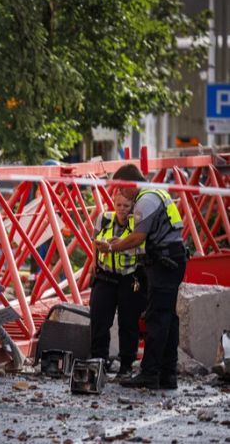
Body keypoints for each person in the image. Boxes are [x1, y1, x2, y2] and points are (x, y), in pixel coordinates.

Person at [97, 163, 186, 389]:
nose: (120, 193)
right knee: (168, 317)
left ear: (129, 184)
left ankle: (150, 373)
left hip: (164, 262)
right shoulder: (157, 192)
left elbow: (138, 237)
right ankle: (167, 373)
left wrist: (113, 247)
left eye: (121, 188)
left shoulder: (145, 201)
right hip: (171, 258)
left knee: (157, 317)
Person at [89, 191, 147, 377]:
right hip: (105, 277)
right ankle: (99, 361)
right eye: (119, 205)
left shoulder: (137, 224)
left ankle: (126, 365)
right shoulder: (104, 219)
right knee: (99, 319)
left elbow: (142, 247)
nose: (122, 210)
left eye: (126, 206)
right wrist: (93, 261)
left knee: (128, 323)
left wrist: (118, 245)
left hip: (129, 278)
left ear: (132, 207)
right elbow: (95, 240)